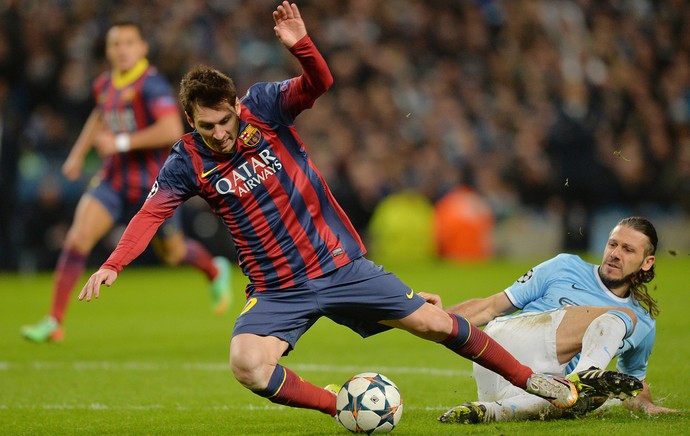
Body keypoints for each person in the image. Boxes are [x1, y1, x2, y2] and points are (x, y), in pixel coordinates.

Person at [75, 2, 615, 423]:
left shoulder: (263, 107)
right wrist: (113, 264)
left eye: (223, 122)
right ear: (190, 121)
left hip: (339, 264)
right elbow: (149, 216)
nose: (218, 134)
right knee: (247, 364)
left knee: (430, 322)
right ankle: (342, 407)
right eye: (205, 126)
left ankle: (531, 381)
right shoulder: (184, 161)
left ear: (236, 106)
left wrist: (302, 46)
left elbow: (320, 84)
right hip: (277, 288)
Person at [21, 21, 232, 343]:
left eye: (129, 43)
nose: (122, 49)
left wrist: (121, 143)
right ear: (108, 50)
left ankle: (215, 269)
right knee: (77, 238)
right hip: (112, 181)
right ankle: (54, 321)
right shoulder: (105, 83)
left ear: (142, 48)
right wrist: (78, 154)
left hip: (152, 187)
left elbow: (170, 129)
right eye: (116, 44)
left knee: (173, 255)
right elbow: (99, 114)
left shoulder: (152, 86)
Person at [437, 216, 678, 424]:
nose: (615, 254)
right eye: (612, 244)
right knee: (623, 318)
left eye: (628, 250)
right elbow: (491, 307)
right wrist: (435, 319)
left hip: (522, 387)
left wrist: (648, 406)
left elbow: (634, 381)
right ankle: (585, 376)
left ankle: (491, 411)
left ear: (647, 262)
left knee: (586, 398)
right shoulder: (565, 266)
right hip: (503, 348)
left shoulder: (645, 325)